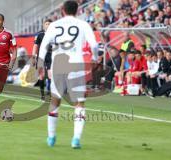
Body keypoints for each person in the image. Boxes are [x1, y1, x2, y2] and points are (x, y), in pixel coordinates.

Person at [38, 0, 98, 149]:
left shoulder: (53, 25)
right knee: (79, 103)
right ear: (77, 11)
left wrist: (40, 65)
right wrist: (95, 58)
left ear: (62, 10)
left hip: (58, 66)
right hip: (76, 66)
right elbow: (95, 45)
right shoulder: (83, 24)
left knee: (55, 101)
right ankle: (76, 139)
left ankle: (51, 137)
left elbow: (44, 46)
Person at [32, 19, 53, 101]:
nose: (48, 25)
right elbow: (35, 46)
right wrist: (33, 57)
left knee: (50, 75)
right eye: (47, 24)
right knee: (42, 75)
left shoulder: (54, 35)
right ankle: (42, 95)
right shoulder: (39, 35)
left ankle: (51, 95)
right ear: (44, 25)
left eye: (49, 24)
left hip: (51, 56)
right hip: (41, 57)